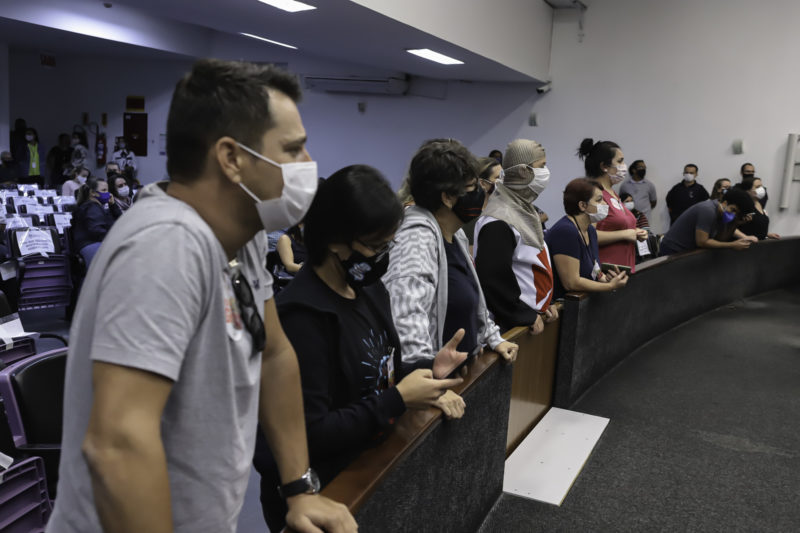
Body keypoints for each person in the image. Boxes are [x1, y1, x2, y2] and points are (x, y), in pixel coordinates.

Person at [46, 59, 356, 533]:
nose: (307, 165)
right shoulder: (165, 244)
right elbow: (117, 444)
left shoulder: (244, 234)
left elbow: (274, 354)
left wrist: (298, 487)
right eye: (293, 149)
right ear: (231, 158)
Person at [254, 165, 465, 532]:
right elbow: (310, 433)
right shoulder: (302, 317)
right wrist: (398, 399)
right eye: (374, 245)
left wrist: (428, 366)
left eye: (388, 244)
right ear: (336, 240)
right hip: (327, 494)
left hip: (369, 467)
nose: (382, 255)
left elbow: (377, 372)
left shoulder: (366, 288)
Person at [383, 139, 519, 378]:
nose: (480, 192)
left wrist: (492, 337)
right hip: (434, 385)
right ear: (447, 197)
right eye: (471, 187)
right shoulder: (415, 239)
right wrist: (425, 380)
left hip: (461, 374)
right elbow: (406, 317)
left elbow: (472, 296)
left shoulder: (453, 234)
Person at [474, 139, 558, 334]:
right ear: (523, 171)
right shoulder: (499, 218)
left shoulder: (522, 208)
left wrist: (545, 304)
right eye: (541, 166)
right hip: (510, 327)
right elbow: (493, 280)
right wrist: (523, 314)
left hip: (529, 318)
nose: (546, 172)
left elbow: (529, 263)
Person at [546, 178, 629, 299]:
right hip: (561, 308)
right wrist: (610, 286)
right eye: (599, 200)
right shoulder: (566, 231)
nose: (605, 205)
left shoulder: (590, 230)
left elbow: (594, 271)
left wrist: (606, 279)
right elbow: (571, 283)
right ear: (582, 205)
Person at [577, 138, 647, 271]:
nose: (624, 166)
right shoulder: (593, 194)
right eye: (620, 161)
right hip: (606, 274)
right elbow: (585, 236)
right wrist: (626, 234)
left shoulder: (613, 193)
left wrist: (635, 232)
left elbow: (615, 226)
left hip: (624, 271)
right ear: (604, 166)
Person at [658, 188, 757, 256]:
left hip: (687, 250)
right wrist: (732, 245)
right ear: (725, 203)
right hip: (673, 249)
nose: (733, 215)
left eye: (737, 214)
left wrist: (736, 223)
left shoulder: (722, 214)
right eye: (733, 210)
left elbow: (721, 239)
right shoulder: (707, 210)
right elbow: (702, 242)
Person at [71, 176, 123, 267]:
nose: (108, 194)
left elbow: (121, 221)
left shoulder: (96, 207)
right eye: (104, 190)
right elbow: (96, 230)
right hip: (91, 244)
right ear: (93, 193)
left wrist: (113, 205)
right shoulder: (92, 207)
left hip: (93, 243)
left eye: (107, 190)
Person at [462, 157, 502, 245]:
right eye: (498, 177)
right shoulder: (472, 216)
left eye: (503, 176)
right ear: (483, 183)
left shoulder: (503, 209)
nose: (503, 181)